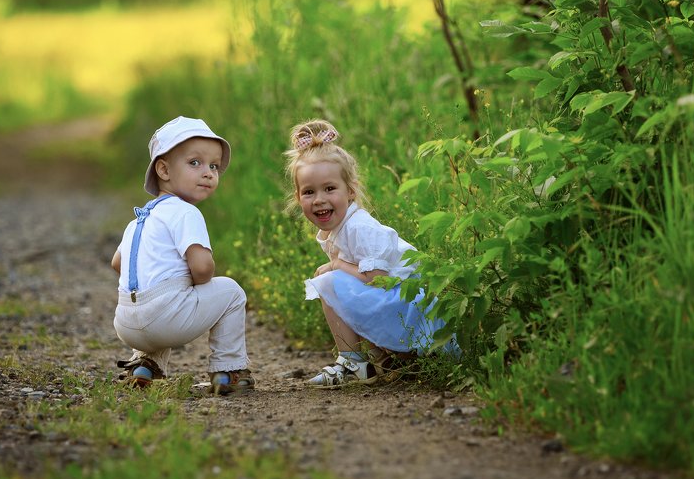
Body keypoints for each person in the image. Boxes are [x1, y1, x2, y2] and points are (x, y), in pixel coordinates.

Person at [285, 119, 450, 388]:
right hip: (401, 301)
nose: (319, 199)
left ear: (350, 191)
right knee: (337, 281)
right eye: (309, 192)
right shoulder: (339, 229)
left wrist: (336, 265)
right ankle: (386, 358)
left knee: (329, 282)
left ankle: (353, 362)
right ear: (298, 196)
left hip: (413, 304)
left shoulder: (359, 227)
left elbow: (376, 278)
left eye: (329, 189)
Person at [111, 116, 253, 395]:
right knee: (232, 292)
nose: (208, 173)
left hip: (126, 322)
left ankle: (143, 365)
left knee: (160, 300)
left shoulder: (141, 218)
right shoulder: (186, 212)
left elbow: (117, 263)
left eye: (214, 166)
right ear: (163, 170)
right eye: (195, 163)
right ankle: (228, 371)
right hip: (165, 319)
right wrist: (189, 279)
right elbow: (202, 269)